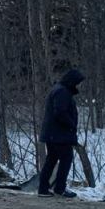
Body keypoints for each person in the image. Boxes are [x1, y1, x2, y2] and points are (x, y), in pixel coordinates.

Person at [37, 68, 85, 198]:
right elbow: (60, 112)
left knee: (52, 159)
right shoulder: (62, 92)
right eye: (78, 83)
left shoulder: (59, 90)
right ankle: (59, 188)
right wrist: (71, 124)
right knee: (65, 159)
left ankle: (44, 188)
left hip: (54, 134)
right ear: (72, 82)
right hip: (58, 135)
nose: (79, 86)